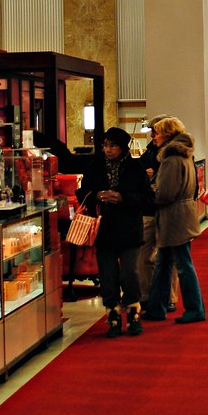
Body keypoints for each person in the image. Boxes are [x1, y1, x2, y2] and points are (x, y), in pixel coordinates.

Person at [79, 126, 147, 337]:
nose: (108, 150)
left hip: (128, 229)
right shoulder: (95, 167)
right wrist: (97, 195)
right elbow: (83, 192)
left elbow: (147, 199)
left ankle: (133, 313)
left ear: (123, 147)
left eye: (113, 146)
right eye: (105, 145)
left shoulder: (135, 168)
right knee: (107, 275)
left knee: (130, 273)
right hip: (103, 229)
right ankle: (113, 315)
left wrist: (122, 198)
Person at [143, 117, 206, 324]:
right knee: (164, 264)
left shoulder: (170, 159)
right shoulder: (184, 155)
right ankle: (157, 307)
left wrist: (148, 191)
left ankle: (195, 309)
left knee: (181, 264)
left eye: (158, 133)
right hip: (181, 214)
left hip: (174, 217)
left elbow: (165, 193)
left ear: (168, 135)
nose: (154, 137)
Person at [136, 115, 180, 314]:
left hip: (167, 211)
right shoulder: (149, 152)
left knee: (169, 258)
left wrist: (154, 180)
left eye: (155, 130)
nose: (152, 135)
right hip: (148, 210)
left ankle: (169, 298)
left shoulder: (175, 155)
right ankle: (146, 295)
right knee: (143, 256)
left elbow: (173, 188)